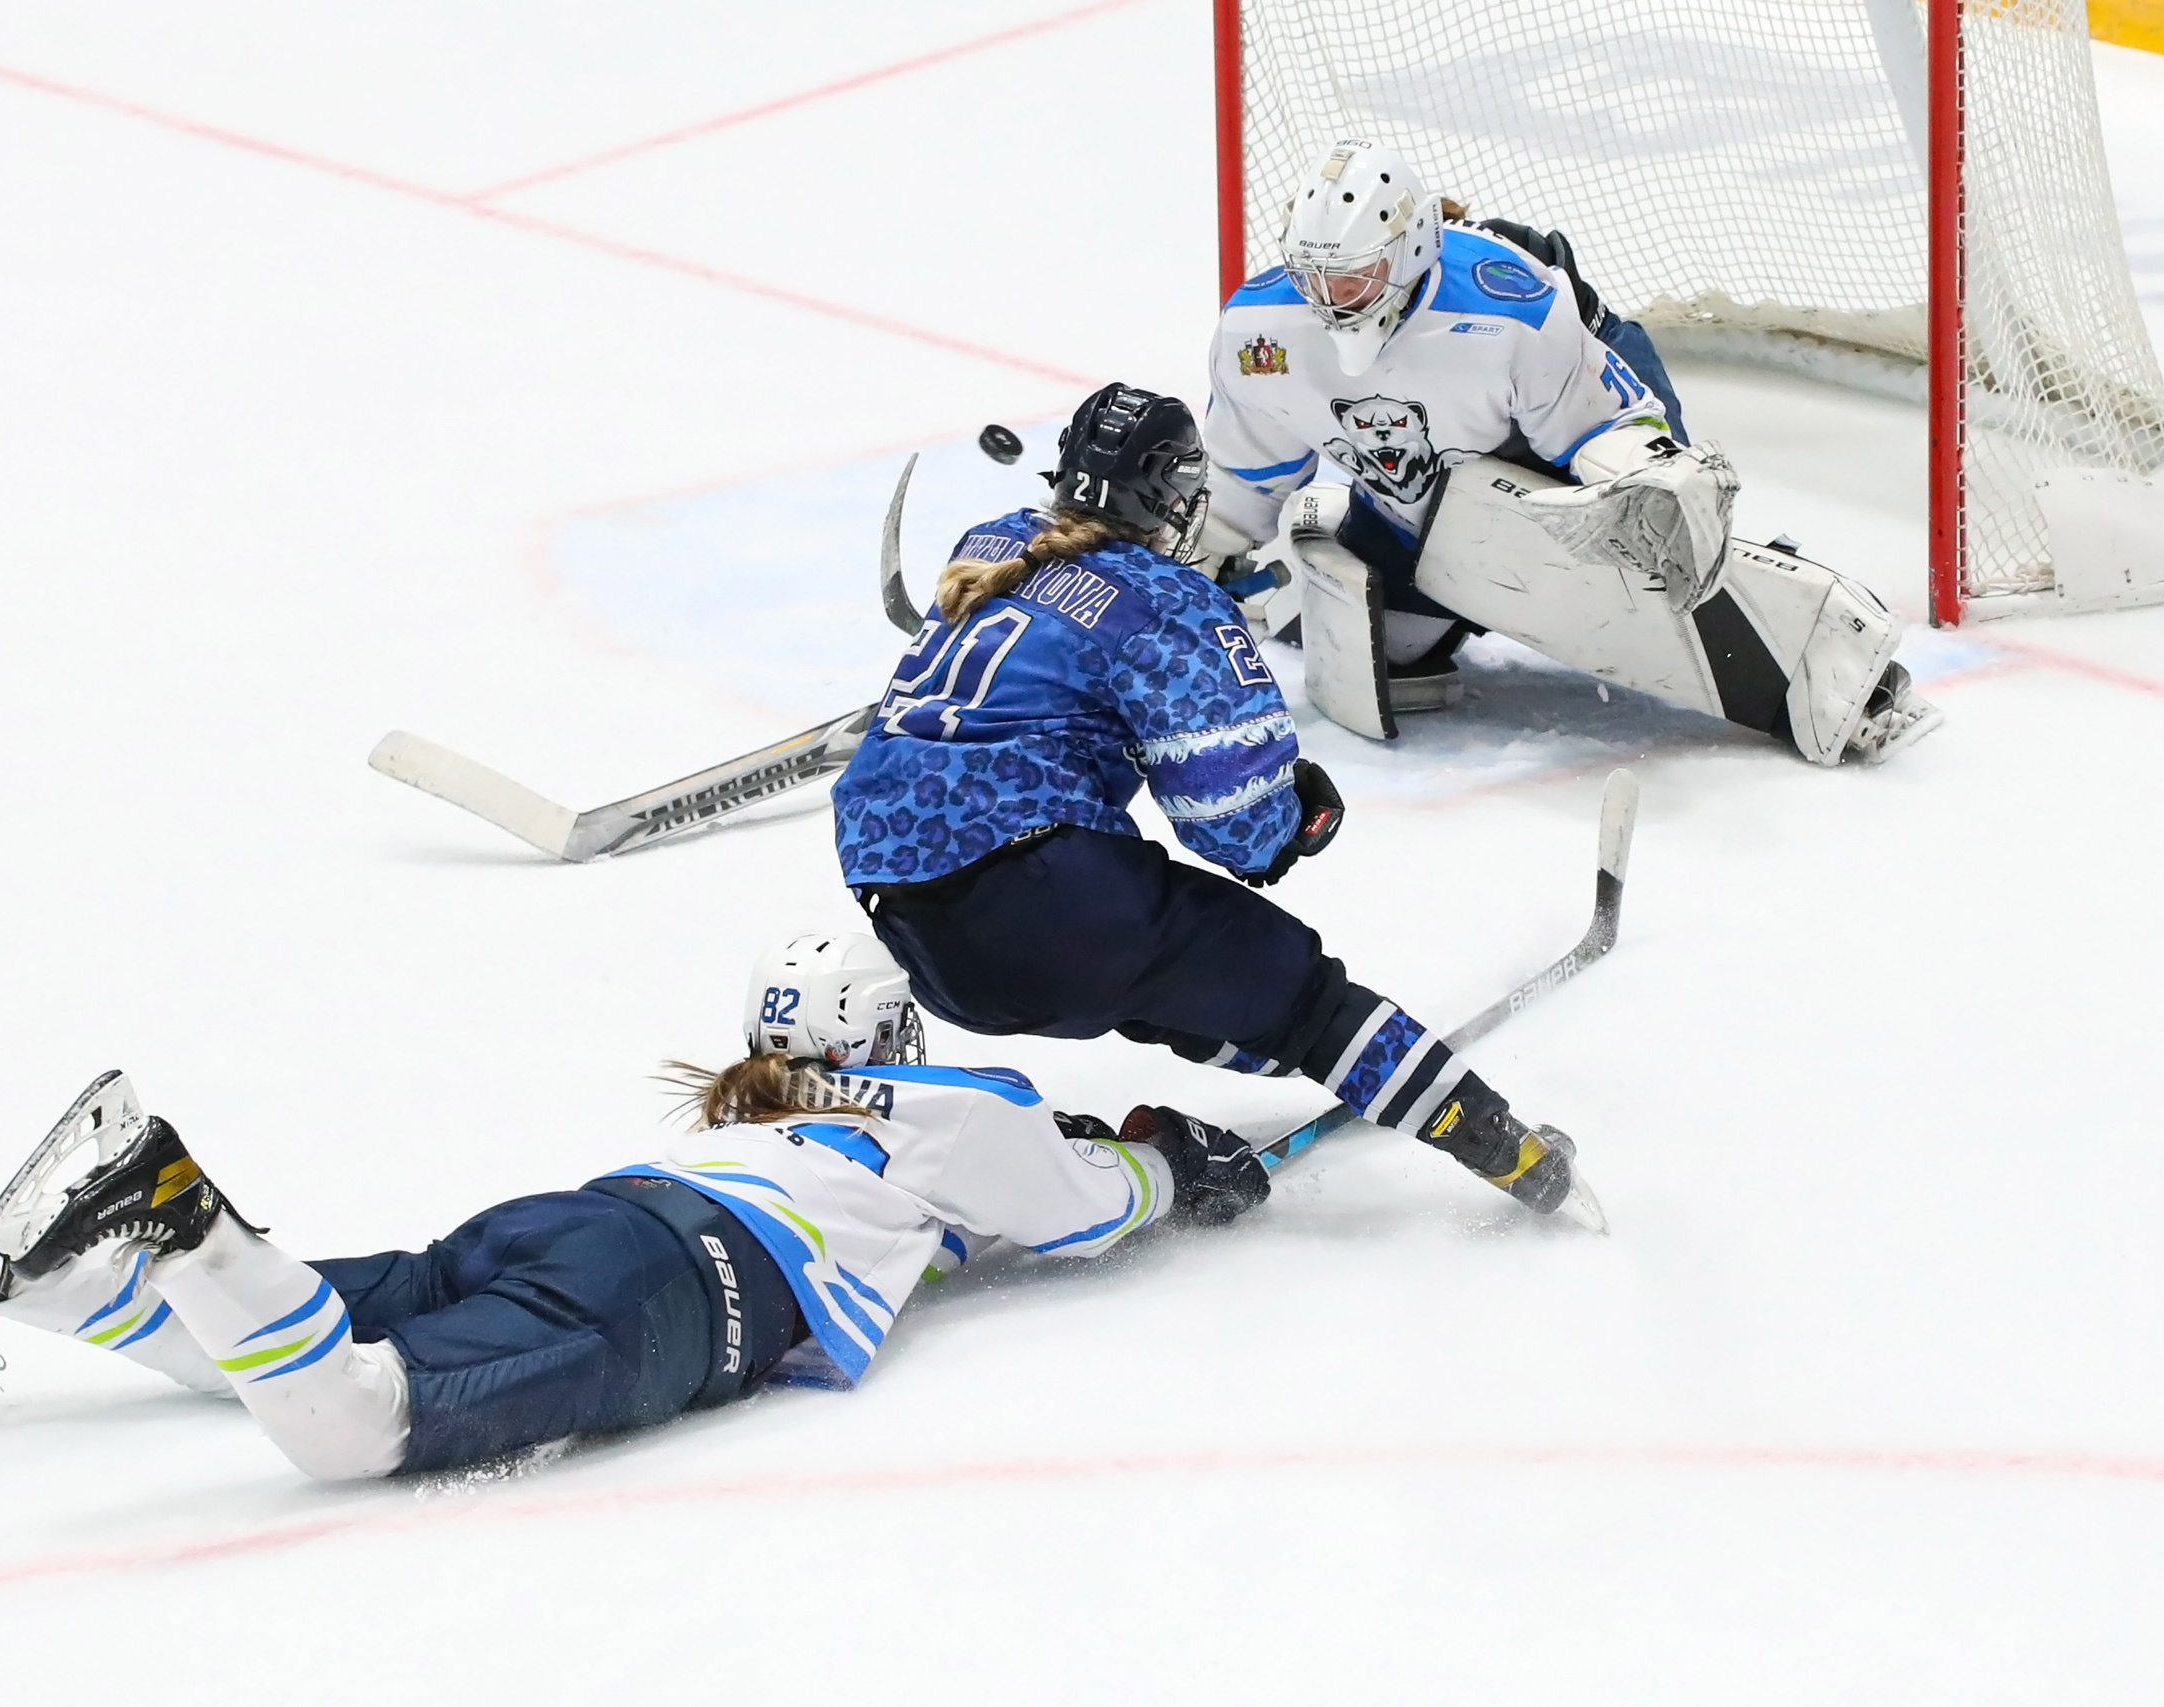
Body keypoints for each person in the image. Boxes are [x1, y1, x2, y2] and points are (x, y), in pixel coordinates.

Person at [0, 936, 1277, 1482]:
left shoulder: (751, 1100)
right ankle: (178, 1209)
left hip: (570, 1218)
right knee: (355, 1424)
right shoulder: (956, 1109)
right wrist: (1175, 1164)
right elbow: (1082, 1211)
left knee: (250, 1355)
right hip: (676, 1291)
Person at [830, 381, 1595, 1227]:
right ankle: (1518, 1157)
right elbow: (1237, 830)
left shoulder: (989, 541)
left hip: (906, 922)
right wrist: (1297, 819)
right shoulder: (1169, 599)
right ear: (1171, 494)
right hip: (1047, 911)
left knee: (1164, 965)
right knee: (1306, 1005)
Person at [1196, 136, 1940, 764]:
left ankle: (1828, 654)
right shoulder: (1260, 330)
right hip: (1424, 492)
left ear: (1412, 248)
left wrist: (1649, 482)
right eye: (1311, 275)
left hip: (1574, 407)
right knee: (1379, 657)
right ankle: (1411, 566)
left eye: (1350, 277)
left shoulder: (1507, 312)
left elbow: (1602, 434)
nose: (1328, 298)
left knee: (1646, 544)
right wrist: (1184, 573)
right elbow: (1240, 478)